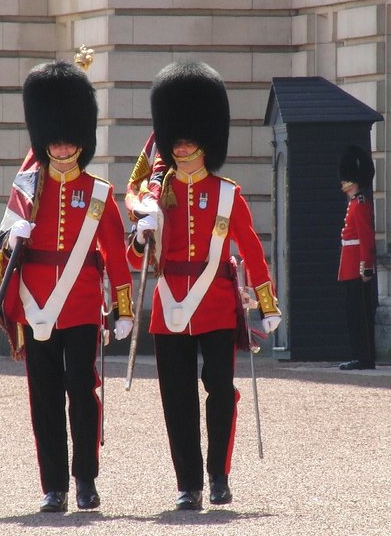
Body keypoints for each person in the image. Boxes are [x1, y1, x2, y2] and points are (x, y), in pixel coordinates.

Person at [128, 60, 282, 511]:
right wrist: (141, 233)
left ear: (205, 140)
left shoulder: (226, 193)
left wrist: (267, 302)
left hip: (215, 303)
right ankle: (188, 483)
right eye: (176, 138)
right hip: (170, 303)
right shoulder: (155, 195)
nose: (182, 144)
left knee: (219, 392)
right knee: (177, 399)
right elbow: (134, 260)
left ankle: (218, 474)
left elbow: (250, 249)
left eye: (189, 138)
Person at [0, 60, 135, 513]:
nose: (60, 146)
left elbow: (115, 255)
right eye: (53, 139)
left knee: (81, 393)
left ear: (82, 141)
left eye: (68, 138)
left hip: (80, 305)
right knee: (44, 400)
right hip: (35, 304)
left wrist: (125, 308)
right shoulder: (27, 189)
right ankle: (53, 486)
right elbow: (4, 244)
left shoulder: (98, 193)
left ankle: (85, 479)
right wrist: (11, 236)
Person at [336, 145, 378, 371]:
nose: (342, 182)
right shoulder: (354, 203)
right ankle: (359, 355)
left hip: (356, 268)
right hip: (349, 266)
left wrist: (366, 267)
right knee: (353, 314)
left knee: (359, 315)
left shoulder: (360, 204)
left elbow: (366, 238)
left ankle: (364, 357)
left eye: (346, 178)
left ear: (354, 180)